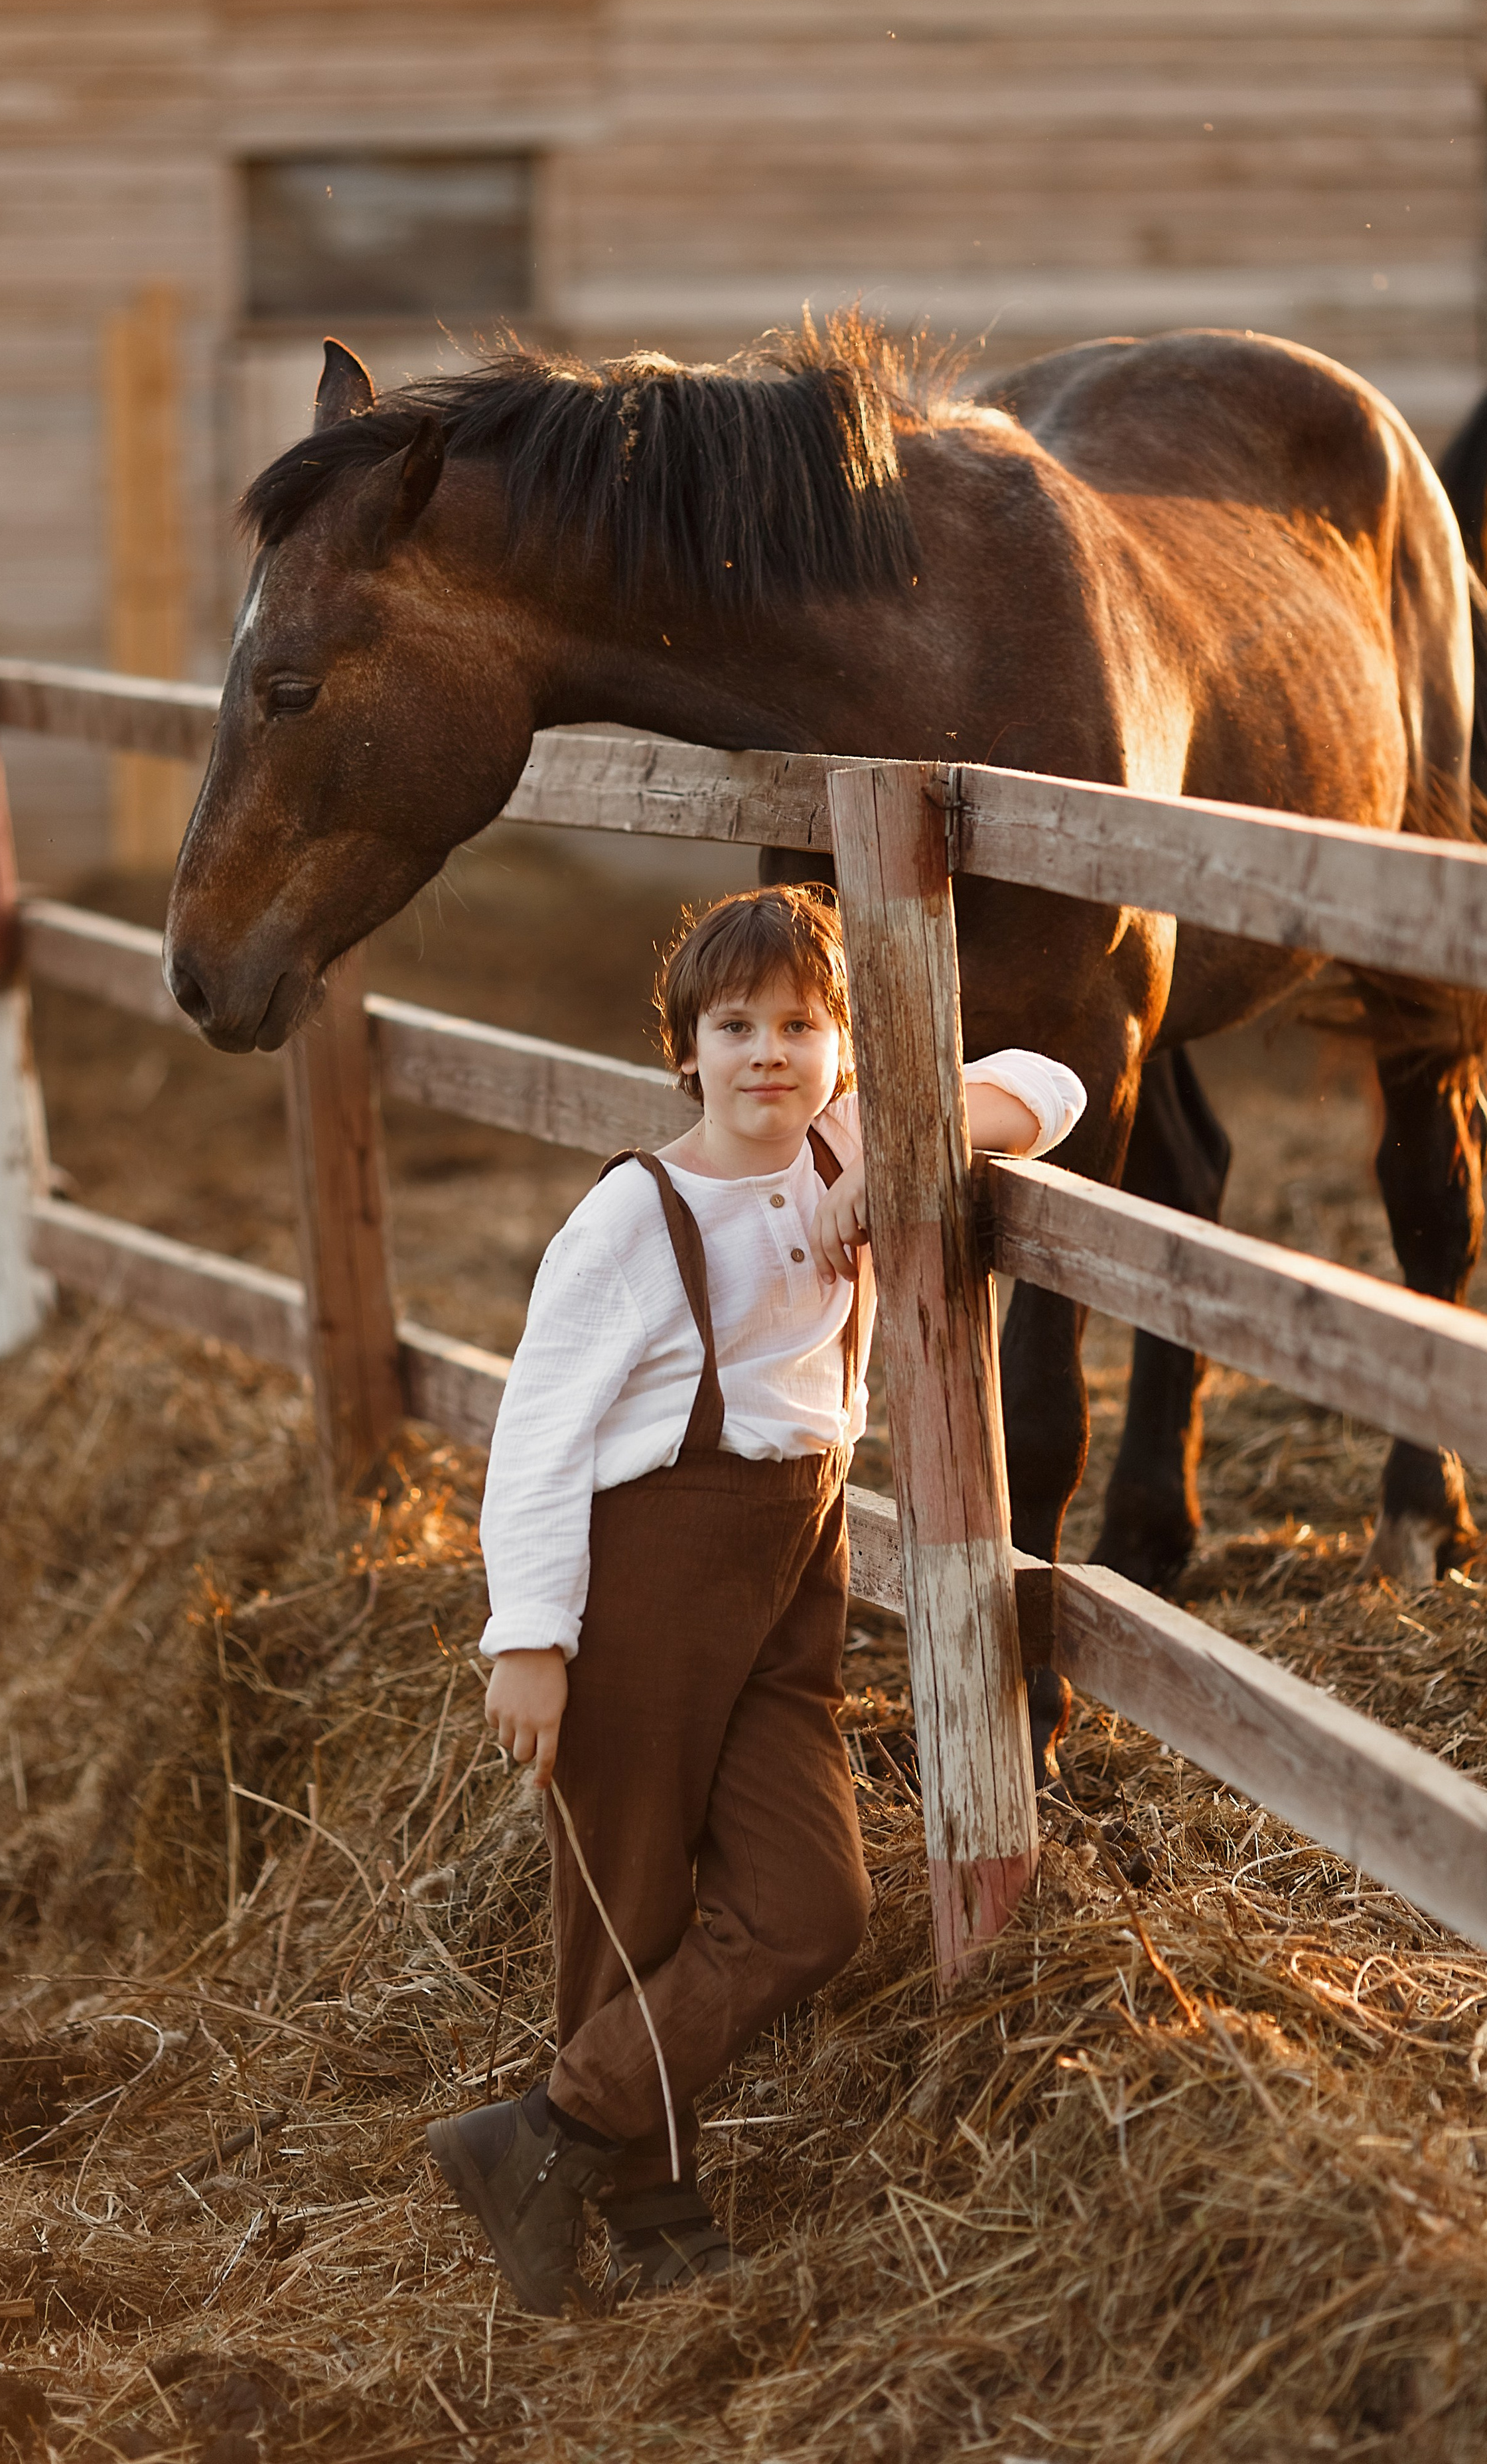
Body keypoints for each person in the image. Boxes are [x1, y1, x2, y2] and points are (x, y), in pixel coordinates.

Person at [426, 886, 1085, 2315]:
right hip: (649, 1564)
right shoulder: (631, 1219)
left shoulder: (849, 1134)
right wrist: (528, 1639)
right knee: (632, 1896)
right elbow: (533, 1437)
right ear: (684, 1053)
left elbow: (1052, 1084)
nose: (769, 1055)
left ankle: (546, 2133)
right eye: (736, 1029)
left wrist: (910, 1137)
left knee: (813, 1903)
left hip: (794, 1569)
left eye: (802, 1026)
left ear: (844, 1047)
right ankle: (652, 2215)